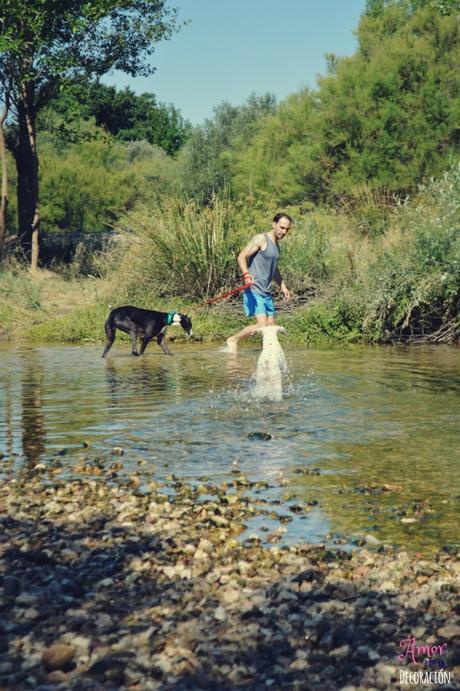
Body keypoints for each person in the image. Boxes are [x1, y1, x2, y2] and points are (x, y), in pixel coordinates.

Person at [225, 212, 292, 353]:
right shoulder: (261, 239)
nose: (284, 231)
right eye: (281, 227)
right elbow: (241, 256)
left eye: (287, 229)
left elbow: (274, 269)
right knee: (262, 325)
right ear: (273, 224)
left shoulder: (277, 246)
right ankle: (234, 339)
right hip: (254, 288)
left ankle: (266, 356)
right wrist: (246, 274)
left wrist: (283, 286)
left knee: (270, 325)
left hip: (267, 291)